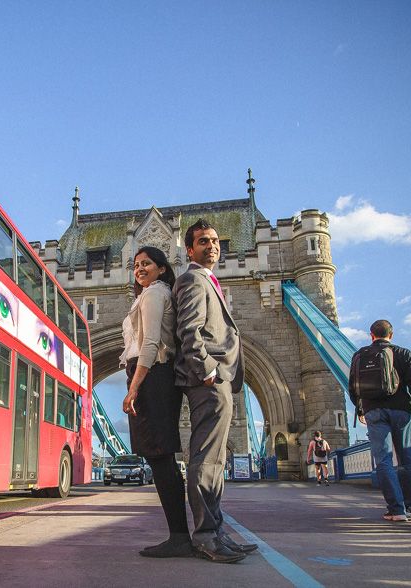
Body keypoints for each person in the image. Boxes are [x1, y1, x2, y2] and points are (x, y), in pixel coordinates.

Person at [172, 219, 253, 563]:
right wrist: (208, 372)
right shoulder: (191, 279)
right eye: (203, 241)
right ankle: (205, 535)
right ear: (189, 249)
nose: (212, 246)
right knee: (205, 461)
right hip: (208, 380)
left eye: (216, 240)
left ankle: (216, 531)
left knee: (216, 463)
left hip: (218, 380)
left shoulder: (208, 280)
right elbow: (189, 332)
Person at [120, 246, 187, 558]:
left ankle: (179, 536)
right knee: (161, 458)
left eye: (146, 263)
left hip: (151, 374)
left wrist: (133, 388)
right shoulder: (151, 294)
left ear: (162, 268)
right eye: (135, 265)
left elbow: (149, 344)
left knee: (159, 457)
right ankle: (179, 534)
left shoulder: (154, 294)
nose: (139, 268)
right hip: (154, 374)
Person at [348, 319, 411, 522]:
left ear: (371, 335)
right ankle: (410, 506)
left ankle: (396, 510)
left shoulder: (360, 355)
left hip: (373, 412)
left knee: (383, 459)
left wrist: (360, 409)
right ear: (391, 335)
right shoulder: (402, 353)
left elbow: (353, 387)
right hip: (401, 410)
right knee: (406, 459)